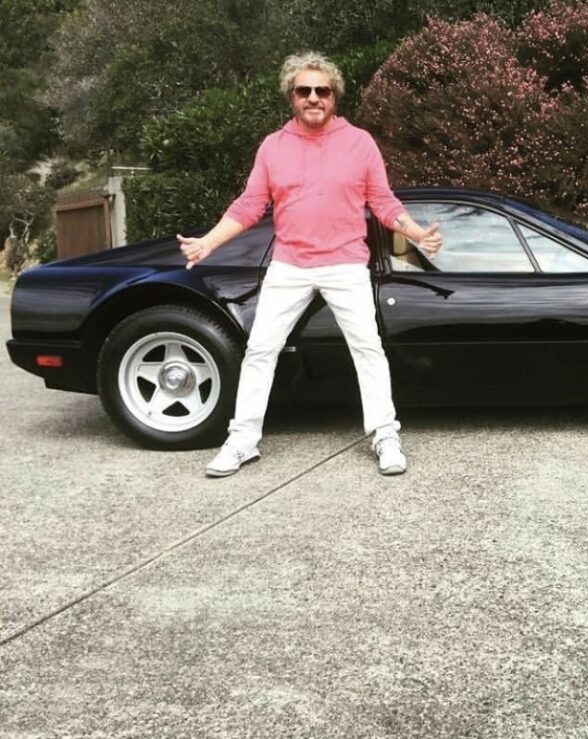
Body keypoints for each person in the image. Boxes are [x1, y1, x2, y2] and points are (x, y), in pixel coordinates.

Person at [178, 51, 442, 478]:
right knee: (260, 350)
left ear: (335, 96)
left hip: (346, 265)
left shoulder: (360, 143)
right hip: (290, 266)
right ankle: (242, 440)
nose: (314, 97)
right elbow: (249, 204)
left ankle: (385, 435)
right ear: (291, 96)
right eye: (305, 90)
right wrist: (208, 242)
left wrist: (415, 234)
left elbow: (382, 201)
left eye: (323, 90)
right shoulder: (273, 146)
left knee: (368, 349)